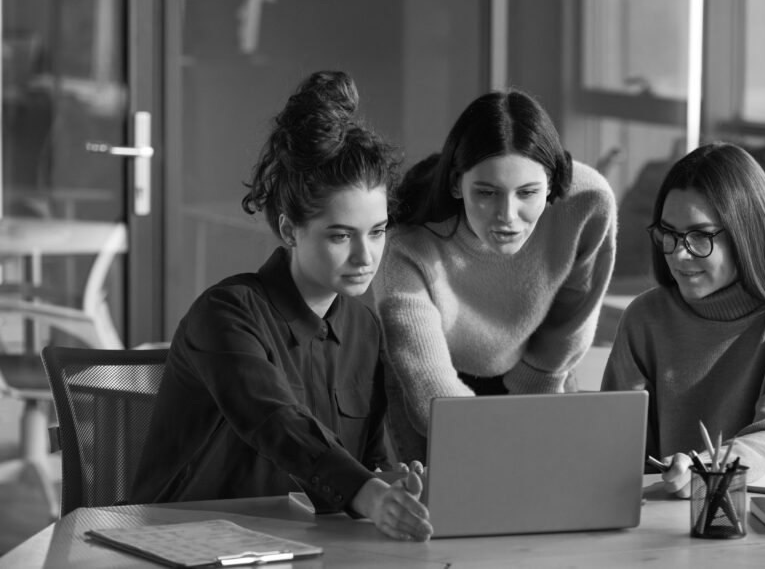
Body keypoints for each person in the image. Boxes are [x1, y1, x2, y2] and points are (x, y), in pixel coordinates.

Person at [131, 70, 432, 541]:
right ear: (291, 230)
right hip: (183, 543)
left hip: (295, 544)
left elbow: (369, 462)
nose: (366, 256)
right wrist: (369, 493)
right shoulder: (225, 314)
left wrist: (397, 487)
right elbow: (274, 422)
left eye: (377, 232)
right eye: (340, 236)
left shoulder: (363, 328)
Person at [601, 141, 765, 497]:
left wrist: (708, 471)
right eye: (670, 234)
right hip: (658, 517)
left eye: (700, 236)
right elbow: (616, 449)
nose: (679, 254)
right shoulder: (646, 317)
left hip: (758, 518)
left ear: (747, 233)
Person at [373, 88, 617, 462]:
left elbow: (574, 309)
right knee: (443, 510)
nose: (508, 215)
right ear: (456, 183)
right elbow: (430, 388)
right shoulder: (406, 244)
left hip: (538, 365)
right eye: (487, 193)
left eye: (528, 193)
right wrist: (497, 451)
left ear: (550, 183)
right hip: (436, 377)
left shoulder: (587, 202)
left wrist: (535, 397)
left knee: (544, 498)